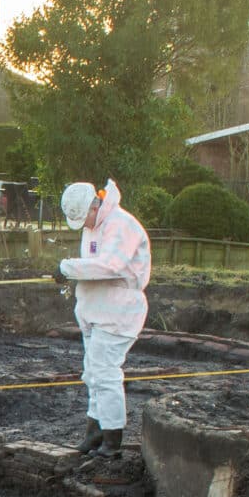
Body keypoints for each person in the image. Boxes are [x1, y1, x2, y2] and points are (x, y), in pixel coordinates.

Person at [58, 179, 152, 455]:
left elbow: (110, 266)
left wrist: (67, 267)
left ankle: (112, 440)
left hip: (118, 309)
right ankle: (95, 432)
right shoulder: (94, 225)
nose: (83, 225)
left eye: (84, 218)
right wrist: (69, 271)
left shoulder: (120, 225)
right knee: (93, 373)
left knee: (106, 374)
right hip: (95, 308)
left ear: (94, 204)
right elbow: (90, 267)